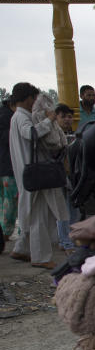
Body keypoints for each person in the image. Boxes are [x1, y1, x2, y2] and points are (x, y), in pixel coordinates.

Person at [7, 82, 69, 268]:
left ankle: (22, 249)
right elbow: (31, 134)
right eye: (34, 99)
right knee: (38, 215)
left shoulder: (19, 116)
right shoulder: (22, 117)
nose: (35, 102)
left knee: (33, 212)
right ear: (27, 99)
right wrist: (49, 120)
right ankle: (41, 257)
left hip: (29, 172)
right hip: (34, 172)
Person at [49, 104, 77, 253]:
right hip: (60, 176)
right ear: (56, 118)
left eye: (69, 116)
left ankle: (69, 239)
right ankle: (66, 242)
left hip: (71, 176)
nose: (67, 119)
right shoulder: (55, 135)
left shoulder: (72, 134)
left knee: (73, 209)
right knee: (63, 210)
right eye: (63, 116)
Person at [0, 93, 17, 244]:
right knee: (10, 202)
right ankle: (5, 234)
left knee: (3, 202)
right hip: (8, 167)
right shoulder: (10, 118)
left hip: (3, 167)